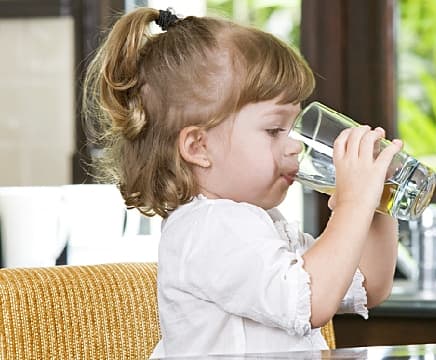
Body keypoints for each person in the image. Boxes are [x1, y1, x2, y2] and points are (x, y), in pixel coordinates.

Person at [83, 7, 403, 357]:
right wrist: (351, 204)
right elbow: (311, 302)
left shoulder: (261, 223)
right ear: (198, 146)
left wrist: (376, 201)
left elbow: (370, 283)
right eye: (273, 130)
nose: (295, 144)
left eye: (293, 127)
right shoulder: (208, 228)